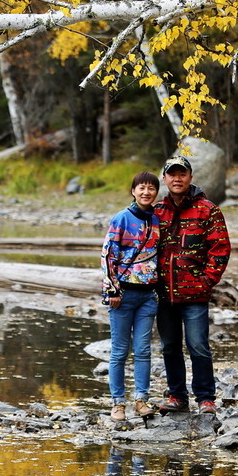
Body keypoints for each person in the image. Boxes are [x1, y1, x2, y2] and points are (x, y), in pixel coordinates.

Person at [153, 156, 231, 416]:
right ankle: (177, 396)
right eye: (172, 174)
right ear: (164, 179)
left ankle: (206, 398)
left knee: (198, 345)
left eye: (182, 174)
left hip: (195, 295)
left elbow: (220, 249)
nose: (177, 178)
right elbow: (143, 249)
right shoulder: (157, 212)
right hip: (164, 295)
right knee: (170, 346)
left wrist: (206, 281)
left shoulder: (207, 209)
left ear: (190, 177)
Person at [101, 172, 162, 421]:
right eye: (141, 188)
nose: (146, 192)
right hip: (123, 295)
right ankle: (118, 404)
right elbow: (108, 255)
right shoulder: (122, 219)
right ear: (133, 191)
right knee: (119, 352)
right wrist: (112, 291)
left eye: (151, 188)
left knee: (144, 350)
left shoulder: (157, 220)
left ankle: (141, 400)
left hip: (148, 295)